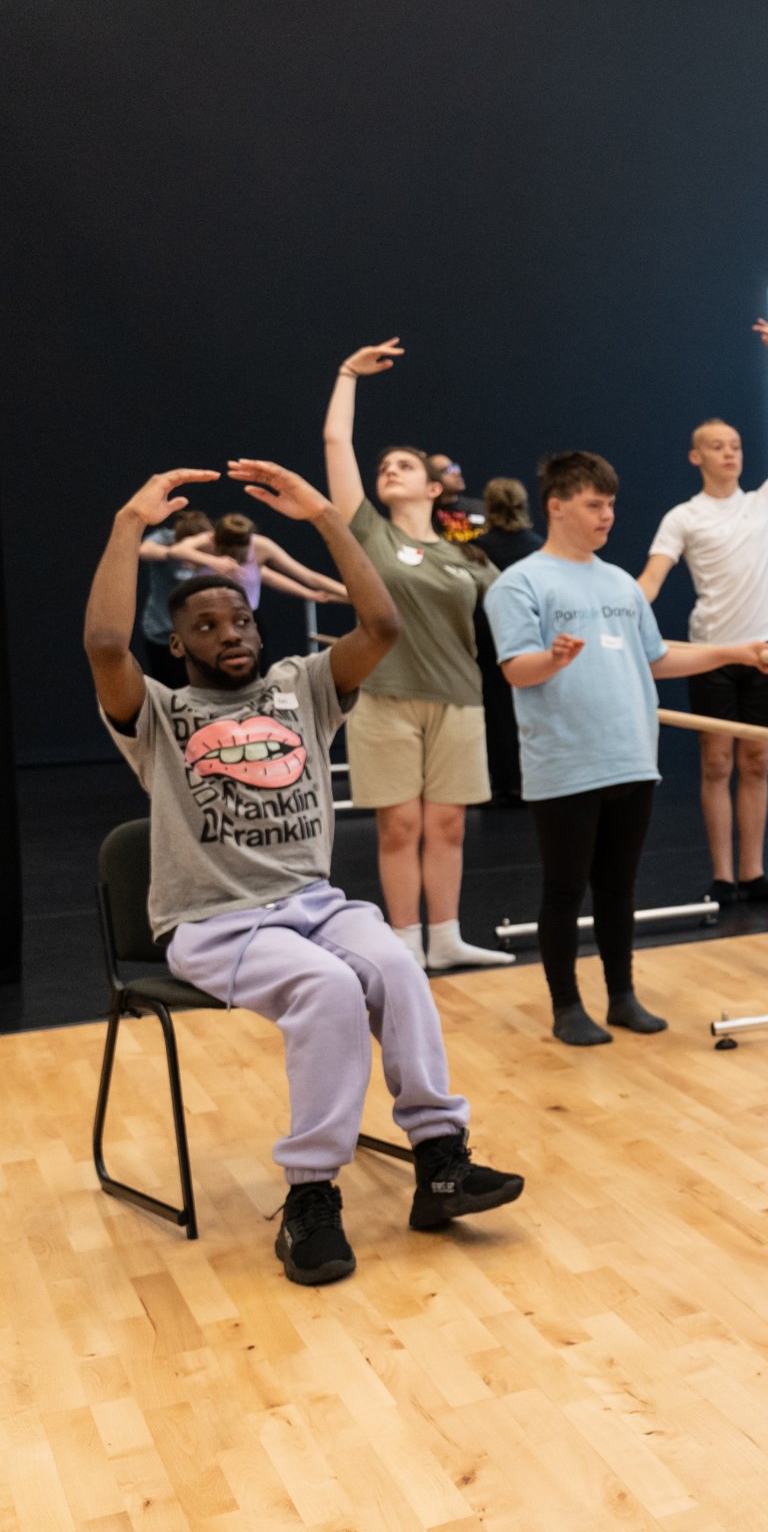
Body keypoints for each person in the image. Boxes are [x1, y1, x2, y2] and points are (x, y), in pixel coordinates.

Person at [86, 461, 524, 1287]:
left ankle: (440, 1159)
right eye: (207, 626)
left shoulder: (304, 686)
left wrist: (326, 515)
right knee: (328, 989)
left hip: (314, 905)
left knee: (397, 963)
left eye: (240, 620)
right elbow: (106, 645)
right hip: (214, 923)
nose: (231, 634)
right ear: (178, 647)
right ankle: (310, 1197)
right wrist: (127, 525)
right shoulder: (160, 716)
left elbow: (383, 623)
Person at [487, 451, 768, 1046]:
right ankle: (566, 1006)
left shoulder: (621, 583)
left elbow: (657, 658)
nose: (608, 515)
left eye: (611, 504)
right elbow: (516, 669)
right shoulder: (519, 583)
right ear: (556, 507)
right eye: (594, 504)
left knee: (619, 887)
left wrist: (731, 652)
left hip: (629, 757)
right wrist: (553, 659)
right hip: (564, 763)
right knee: (564, 889)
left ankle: (621, 996)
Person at [322, 340, 514, 972]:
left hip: (459, 701)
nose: (390, 471)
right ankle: (405, 942)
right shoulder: (368, 533)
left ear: (434, 488)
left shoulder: (469, 557)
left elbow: (519, 609)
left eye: (404, 466)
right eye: (385, 467)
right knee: (399, 826)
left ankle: (447, 937)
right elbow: (336, 444)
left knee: (449, 826)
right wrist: (348, 374)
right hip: (385, 699)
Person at [637, 321, 768, 909]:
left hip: (764, 650)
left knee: (756, 760)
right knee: (716, 763)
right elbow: (651, 581)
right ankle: (723, 876)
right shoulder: (683, 517)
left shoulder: (766, 503)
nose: (730, 452)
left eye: (735, 445)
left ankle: (754, 872)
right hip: (711, 652)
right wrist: (613, 610)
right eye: (717, 446)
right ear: (697, 456)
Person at [473, 478, 541, 807]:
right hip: (530, 638)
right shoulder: (539, 547)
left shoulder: (476, 549)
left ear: (489, 506)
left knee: (495, 710)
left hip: (487, 639)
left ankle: (503, 779)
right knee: (530, 707)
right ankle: (529, 778)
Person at [170, 511, 351, 608]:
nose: (238, 555)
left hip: (246, 615)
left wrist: (352, 593)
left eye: (243, 549)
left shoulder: (261, 546)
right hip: (208, 614)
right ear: (218, 541)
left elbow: (308, 577)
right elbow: (176, 551)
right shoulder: (206, 542)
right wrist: (213, 561)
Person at [136, 509, 225, 688]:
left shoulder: (216, 544)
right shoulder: (163, 538)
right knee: (170, 690)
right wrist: (177, 553)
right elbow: (143, 551)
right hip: (162, 634)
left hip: (201, 636)